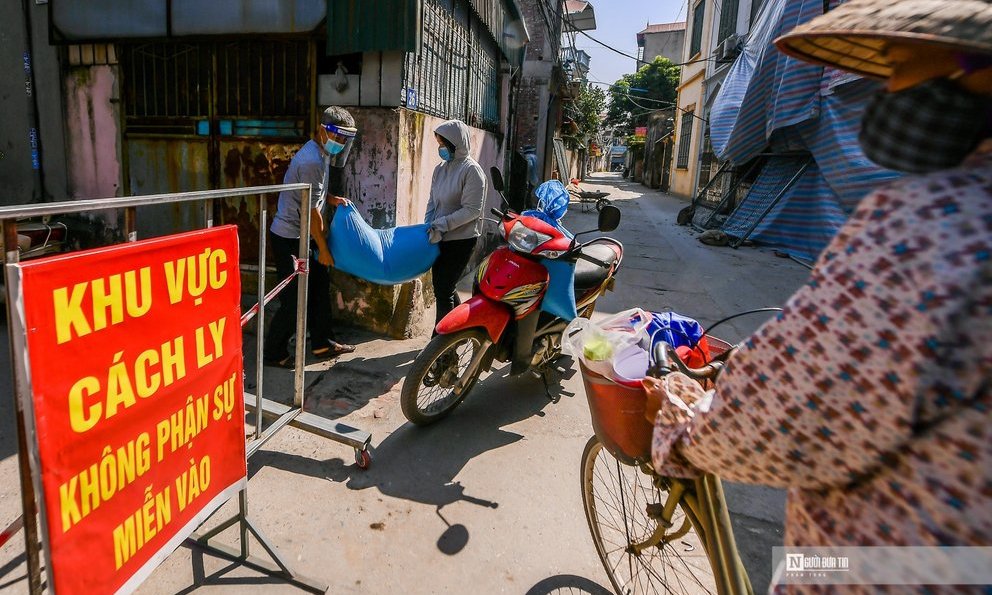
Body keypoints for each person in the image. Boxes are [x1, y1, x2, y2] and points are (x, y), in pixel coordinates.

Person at [645, 0, 992, 588]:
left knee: (802, 571)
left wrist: (680, 428)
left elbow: (786, 414)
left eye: (910, 64)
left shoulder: (928, 222)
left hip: (890, 569)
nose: (892, 86)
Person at [263, 106, 358, 368]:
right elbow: (311, 213)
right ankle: (273, 353)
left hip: (305, 235)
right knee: (293, 300)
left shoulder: (320, 152)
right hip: (290, 238)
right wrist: (324, 250)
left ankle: (322, 343)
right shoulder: (312, 162)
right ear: (322, 131)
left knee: (318, 289)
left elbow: (312, 195)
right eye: (337, 137)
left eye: (344, 139)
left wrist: (331, 198)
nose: (340, 143)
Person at [425, 120, 486, 332]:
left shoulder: (472, 171)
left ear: (455, 143)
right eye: (438, 143)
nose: (440, 148)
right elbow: (433, 202)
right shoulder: (440, 169)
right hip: (439, 237)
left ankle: (442, 348)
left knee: (443, 291)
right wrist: (427, 226)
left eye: (443, 143)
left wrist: (441, 224)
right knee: (443, 288)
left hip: (461, 240)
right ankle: (465, 326)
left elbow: (472, 210)